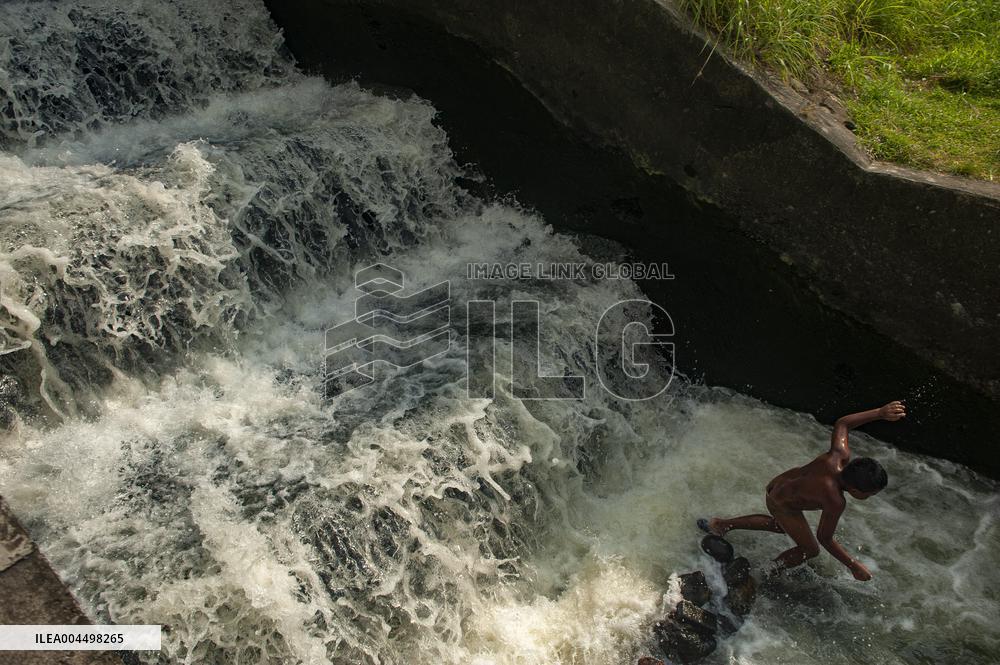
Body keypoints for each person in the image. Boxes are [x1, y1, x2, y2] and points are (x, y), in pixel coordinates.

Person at [700, 401, 903, 581]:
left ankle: (721, 524)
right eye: (869, 494)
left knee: (783, 527)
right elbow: (824, 538)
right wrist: (853, 565)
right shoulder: (835, 500)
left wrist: (879, 412)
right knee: (810, 549)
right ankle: (765, 574)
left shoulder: (838, 456)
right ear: (854, 489)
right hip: (781, 503)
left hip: (778, 485)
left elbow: (842, 423)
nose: (869, 497)